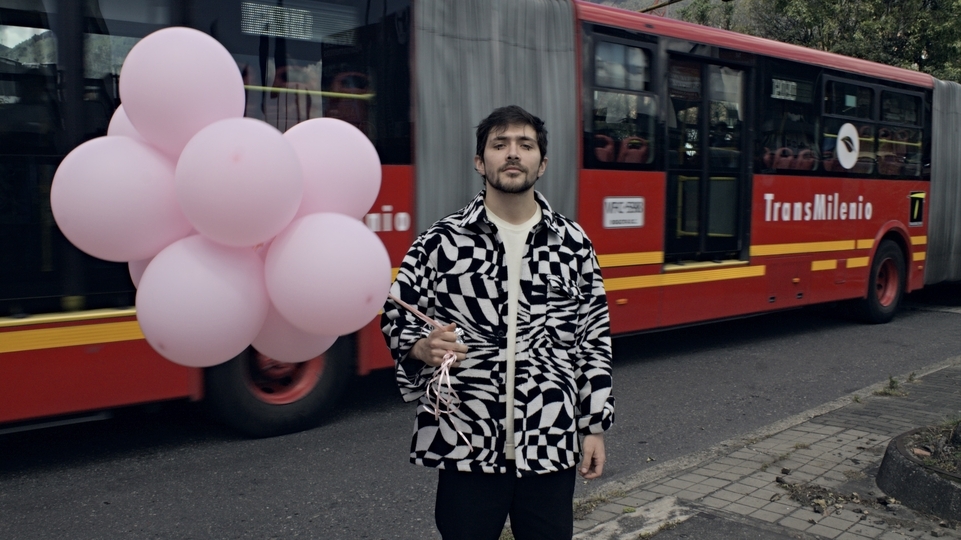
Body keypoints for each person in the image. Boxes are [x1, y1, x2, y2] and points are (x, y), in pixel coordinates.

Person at [381, 105, 615, 540]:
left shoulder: (573, 244)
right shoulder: (442, 241)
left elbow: (593, 339)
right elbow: (396, 310)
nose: (512, 154)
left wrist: (595, 425)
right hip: (466, 441)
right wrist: (419, 347)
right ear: (479, 161)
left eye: (525, 145)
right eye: (499, 144)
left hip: (550, 440)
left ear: (541, 164)